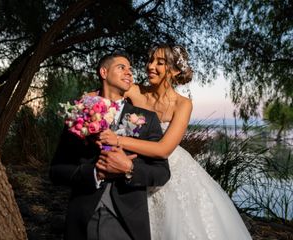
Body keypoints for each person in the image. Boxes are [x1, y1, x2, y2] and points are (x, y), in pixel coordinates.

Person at [97, 44, 252, 239]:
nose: (151, 66)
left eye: (160, 63)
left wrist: (118, 140)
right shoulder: (134, 92)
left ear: (174, 71)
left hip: (173, 171)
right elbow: (101, 96)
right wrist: (85, 108)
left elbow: (164, 150)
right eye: (150, 60)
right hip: (139, 168)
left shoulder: (183, 104)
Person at [49, 52, 170, 240]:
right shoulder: (79, 114)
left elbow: (162, 172)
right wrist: (96, 173)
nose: (129, 72)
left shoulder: (147, 119)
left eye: (131, 69)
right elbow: (56, 170)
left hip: (127, 221)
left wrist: (129, 168)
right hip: (83, 218)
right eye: (122, 67)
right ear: (103, 72)